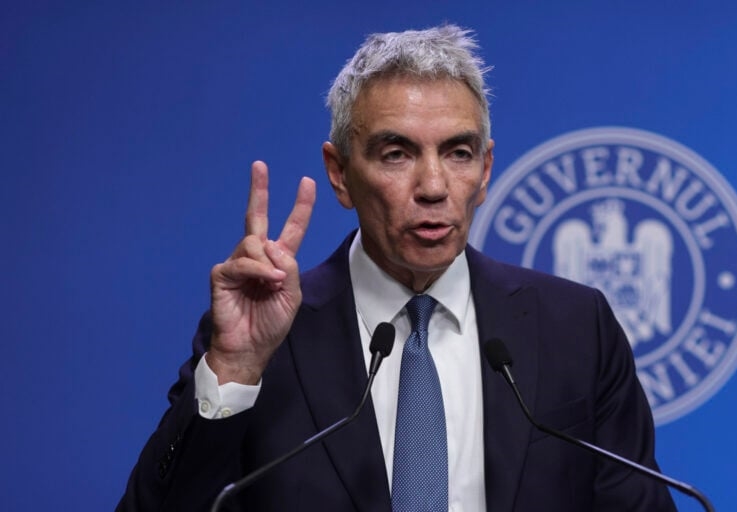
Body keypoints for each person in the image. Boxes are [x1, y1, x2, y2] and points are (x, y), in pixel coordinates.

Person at [117, 25, 677, 511]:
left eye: (458, 153)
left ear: (485, 171)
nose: (433, 187)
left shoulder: (575, 326)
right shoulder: (266, 337)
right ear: (339, 173)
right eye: (397, 154)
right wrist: (236, 369)